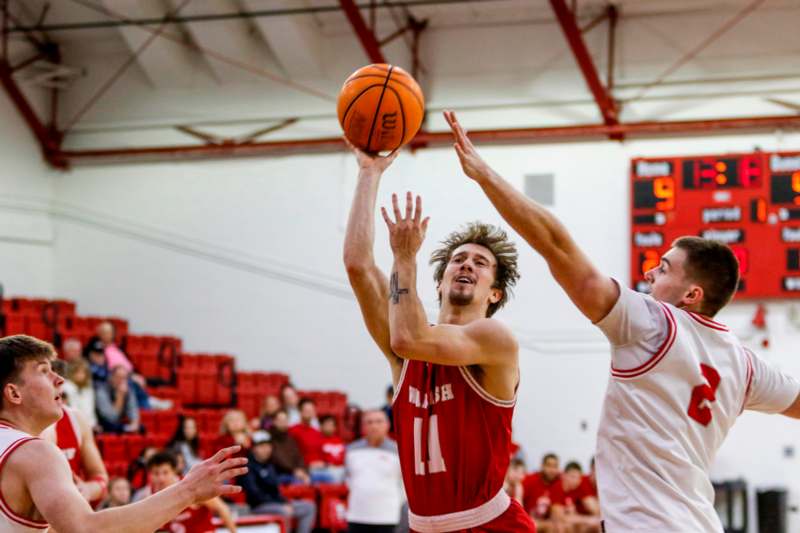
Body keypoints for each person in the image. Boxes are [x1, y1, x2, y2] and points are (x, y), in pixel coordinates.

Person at [444, 109, 800, 532]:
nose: (650, 272)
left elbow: (557, 246)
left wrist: (486, 176)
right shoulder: (746, 364)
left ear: (692, 295)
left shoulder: (653, 323)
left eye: (664, 268)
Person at [343, 141, 535, 532]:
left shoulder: (494, 338)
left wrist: (404, 258)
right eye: (457, 259)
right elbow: (358, 265)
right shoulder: (408, 341)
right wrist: (368, 173)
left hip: (489, 525)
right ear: (439, 281)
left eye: (481, 263)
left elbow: (408, 339)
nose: (467, 264)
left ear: (494, 293)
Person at [0, 334, 248, 532]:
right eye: (44, 371)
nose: (59, 379)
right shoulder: (35, 452)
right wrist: (188, 490)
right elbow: (85, 530)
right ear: (14, 393)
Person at [239, 431, 317, 533]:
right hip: (258, 506)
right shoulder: (248, 467)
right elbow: (255, 495)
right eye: (261, 446)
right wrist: (281, 504)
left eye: (268, 446)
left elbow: (277, 488)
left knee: (309, 507)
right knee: (284, 511)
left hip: (276, 503)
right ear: (254, 448)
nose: (265, 449)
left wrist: (284, 502)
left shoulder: (271, 464)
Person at [145, 451, 238, 533]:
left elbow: (222, 508)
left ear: (174, 472)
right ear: (150, 475)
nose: (161, 478)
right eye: (156, 473)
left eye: (165, 473)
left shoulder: (191, 487)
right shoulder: (149, 494)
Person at [345, 409, 404, 533]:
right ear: (363, 426)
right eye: (369, 422)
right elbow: (348, 479)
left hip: (388, 517)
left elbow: (404, 484)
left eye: (379, 421)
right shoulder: (351, 450)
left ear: (387, 425)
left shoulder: (399, 451)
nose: (374, 426)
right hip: (357, 515)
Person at [41, 403, 108, 506]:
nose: (59, 386)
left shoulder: (75, 419)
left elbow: (101, 476)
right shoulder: (13, 429)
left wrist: (87, 490)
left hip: (71, 511)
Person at [549, 462, 600, 533]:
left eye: (578, 477)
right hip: (554, 522)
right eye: (572, 476)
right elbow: (560, 517)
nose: (576, 480)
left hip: (573, 521)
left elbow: (593, 508)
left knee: (591, 526)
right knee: (563, 527)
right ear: (564, 475)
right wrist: (587, 520)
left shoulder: (577, 488)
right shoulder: (557, 488)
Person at [268, 409, 310, 484]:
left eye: (285, 420)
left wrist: (303, 471)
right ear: (274, 421)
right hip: (280, 474)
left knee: (321, 478)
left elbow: (299, 457)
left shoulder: (290, 438)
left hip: (295, 473)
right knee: (298, 482)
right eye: (280, 420)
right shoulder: (270, 438)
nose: (283, 422)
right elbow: (277, 459)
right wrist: (294, 471)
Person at [95, 364, 140, 433]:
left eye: (124, 378)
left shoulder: (128, 389)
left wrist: (135, 424)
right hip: (104, 425)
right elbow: (112, 418)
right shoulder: (101, 390)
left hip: (119, 424)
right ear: (111, 377)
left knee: (141, 428)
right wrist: (120, 396)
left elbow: (133, 411)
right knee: (112, 427)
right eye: (118, 377)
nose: (121, 381)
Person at [61, 358, 98, 428]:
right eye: (78, 372)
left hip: (89, 425)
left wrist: (94, 423)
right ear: (72, 372)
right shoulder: (67, 388)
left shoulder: (89, 389)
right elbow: (72, 409)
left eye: (83, 372)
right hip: (73, 425)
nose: (81, 375)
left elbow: (91, 409)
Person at [319, 415, 346, 482]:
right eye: (327, 425)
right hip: (327, 469)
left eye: (332, 425)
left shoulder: (340, 441)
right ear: (321, 426)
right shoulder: (317, 440)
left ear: (335, 428)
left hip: (343, 468)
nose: (329, 427)